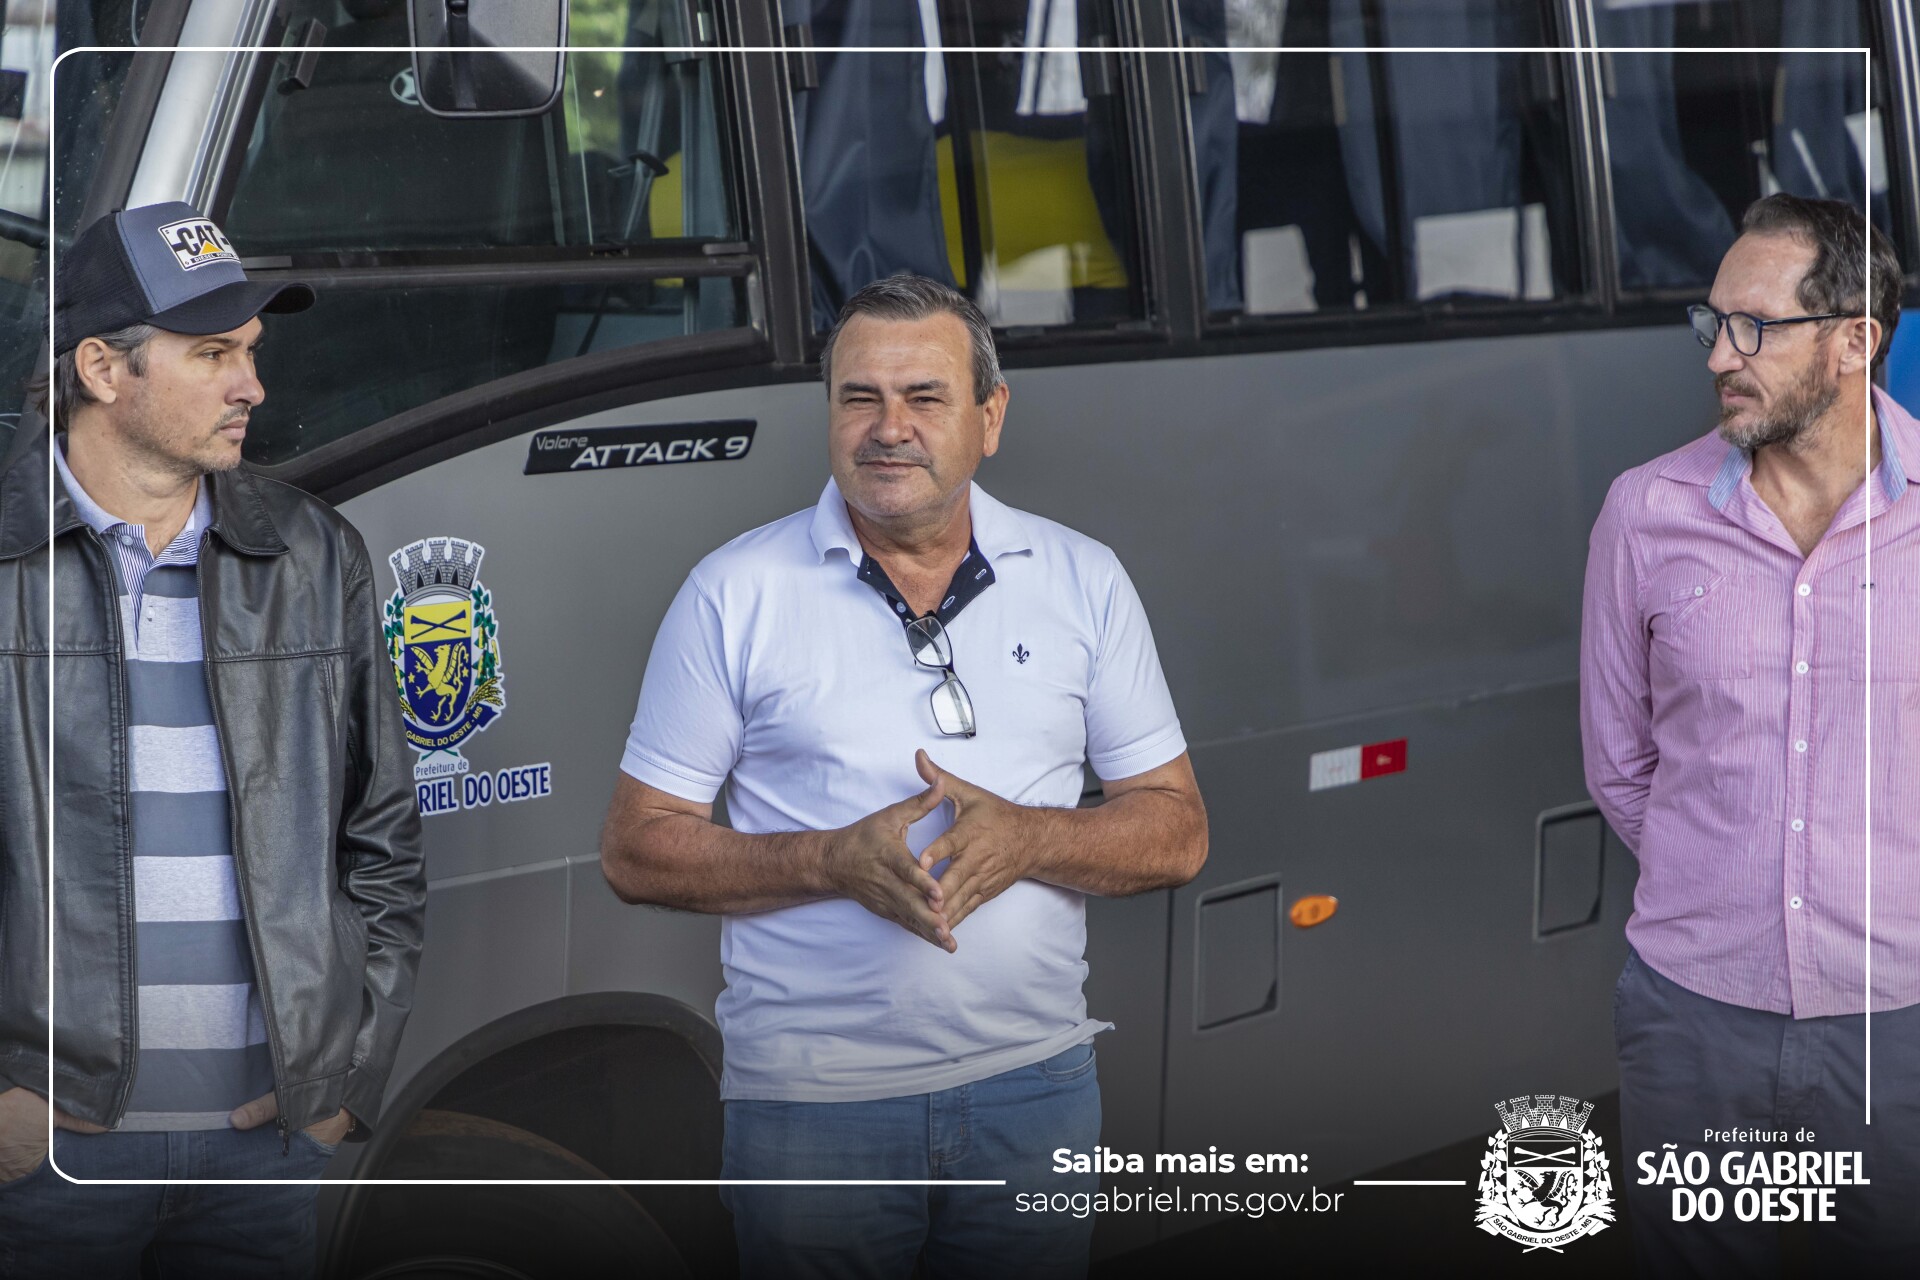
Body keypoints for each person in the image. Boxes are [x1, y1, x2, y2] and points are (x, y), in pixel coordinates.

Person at [600, 272, 1207, 1278]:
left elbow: (1178, 830)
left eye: (924, 396)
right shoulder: (733, 594)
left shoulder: (1082, 579)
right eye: (859, 398)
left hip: (1036, 1090)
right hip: (813, 1113)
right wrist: (828, 861)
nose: (889, 428)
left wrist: (1033, 836)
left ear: (990, 416)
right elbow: (635, 847)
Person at [0, 202, 426, 1279]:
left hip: (265, 1151)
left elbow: (383, 842)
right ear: (103, 368)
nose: (252, 387)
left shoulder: (315, 556)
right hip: (47, 1161)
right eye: (213, 355)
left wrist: (344, 1077)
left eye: (251, 352)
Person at [1581, 194, 1919, 1277]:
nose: (1720, 355)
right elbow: (1620, 764)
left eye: (1755, 327)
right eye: (1712, 322)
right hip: (1693, 1022)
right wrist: (1726, 873)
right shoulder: (1645, 513)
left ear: (1854, 340)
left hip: (1900, 1027)